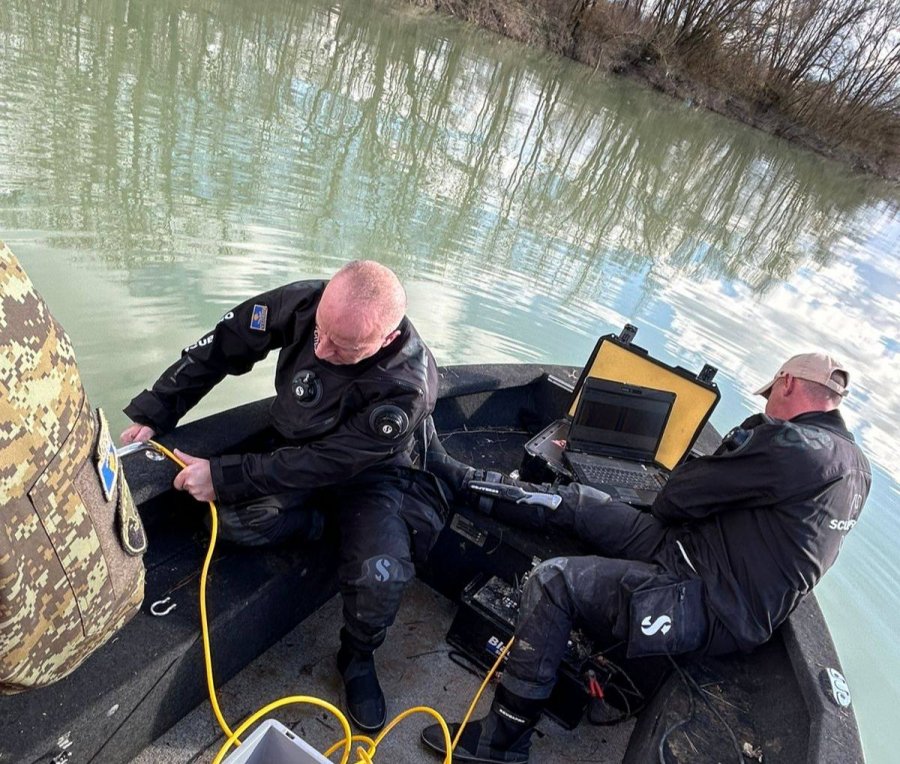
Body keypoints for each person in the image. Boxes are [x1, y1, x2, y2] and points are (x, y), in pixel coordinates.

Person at [421, 352, 871, 763]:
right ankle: (462, 480)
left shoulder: (792, 446)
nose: (768, 403)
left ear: (787, 383)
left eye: (771, 393)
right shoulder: (854, 465)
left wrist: (743, 442)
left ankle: (505, 738)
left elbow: (675, 498)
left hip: (712, 601)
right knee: (581, 502)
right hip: (696, 552)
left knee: (554, 582)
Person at [120, 260, 444, 732]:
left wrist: (225, 474)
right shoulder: (304, 303)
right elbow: (220, 346)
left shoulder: (407, 387)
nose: (324, 350)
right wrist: (158, 410)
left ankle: (356, 658)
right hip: (294, 448)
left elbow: (330, 462)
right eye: (322, 333)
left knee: (381, 576)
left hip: (370, 476)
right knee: (230, 522)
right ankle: (319, 525)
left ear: (387, 340)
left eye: (346, 347)